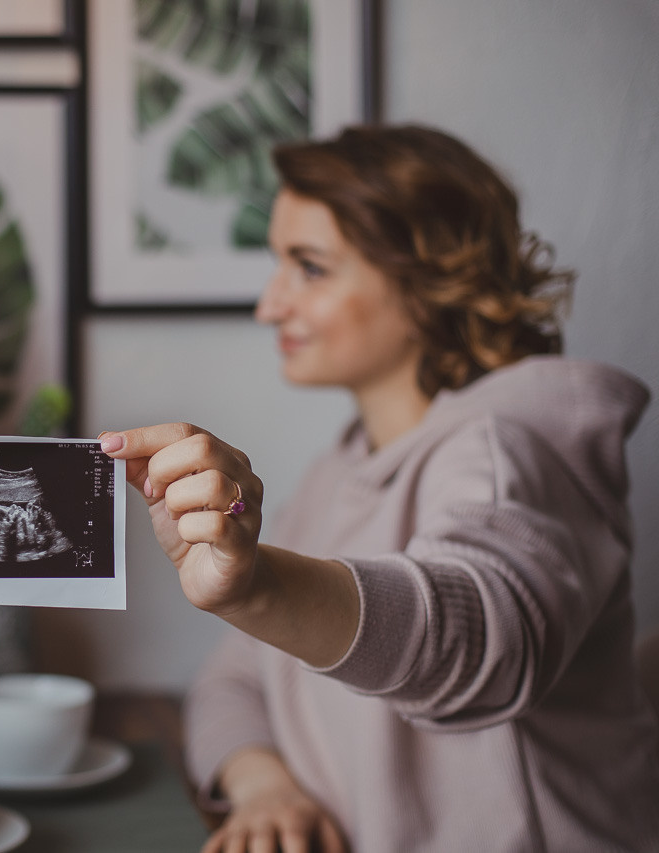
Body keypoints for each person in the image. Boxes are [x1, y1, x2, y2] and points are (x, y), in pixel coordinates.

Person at [99, 124, 659, 852]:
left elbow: (484, 637)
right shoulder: (338, 470)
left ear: (428, 279)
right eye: (279, 264)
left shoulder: (506, 449)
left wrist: (257, 587)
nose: (270, 305)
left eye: (310, 268)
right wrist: (264, 784)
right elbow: (234, 679)